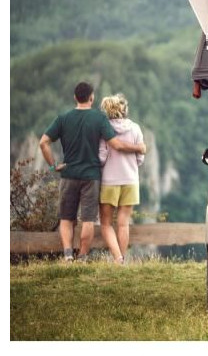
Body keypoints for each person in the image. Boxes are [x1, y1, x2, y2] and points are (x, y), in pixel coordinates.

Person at [39, 81, 146, 263]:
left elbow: (43, 143)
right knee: (89, 220)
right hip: (93, 177)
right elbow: (117, 145)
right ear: (92, 97)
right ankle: (84, 256)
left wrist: (53, 166)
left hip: (70, 174)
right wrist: (139, 148)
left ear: (75, 97)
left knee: (66, 218)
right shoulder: (100, 119)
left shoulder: (63, 118)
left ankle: (68, 255)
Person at [98, 93, 145, 262]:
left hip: (109, 182)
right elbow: (140, 158)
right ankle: (122, 259)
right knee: (124, 223)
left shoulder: (105, 130)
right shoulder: (135, 128)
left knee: (106, 224)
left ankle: (117, 259)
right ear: (124, 109)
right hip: (130, 181)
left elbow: (101, 158)